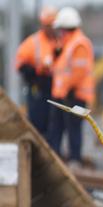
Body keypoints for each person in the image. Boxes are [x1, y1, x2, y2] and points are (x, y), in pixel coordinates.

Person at [47, 6, 94, 166]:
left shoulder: (79, 44)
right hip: (63, 95)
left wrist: (67, 89)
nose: (59, 33)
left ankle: (75, 160)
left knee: (73, 129)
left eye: (60, 30)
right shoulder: (68, 44)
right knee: (57, 128)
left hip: (74, 96)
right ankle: (55, 159)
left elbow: (78, 72)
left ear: (65, 29)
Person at [15, 6, 58, 136]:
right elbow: (20, 64)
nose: (51, 29)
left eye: (53, 26)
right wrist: (34, 76)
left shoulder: (59, 41)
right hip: (37, 88)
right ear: (43, 25)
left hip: (55, 88)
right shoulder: (33, 42)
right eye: (48, 25)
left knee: (54, 125)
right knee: (37, 123)